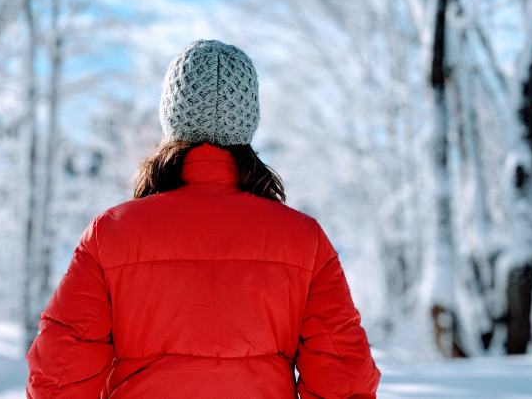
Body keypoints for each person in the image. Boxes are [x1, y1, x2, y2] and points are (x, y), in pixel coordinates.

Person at [26, 39, 381, 398]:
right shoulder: (304, 239)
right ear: (247, 120)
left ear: (172, 117)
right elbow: (345, 379)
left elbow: (59, 372)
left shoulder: (110, 234)